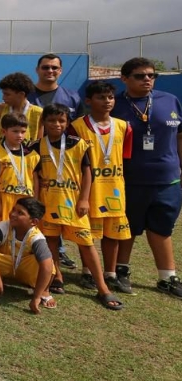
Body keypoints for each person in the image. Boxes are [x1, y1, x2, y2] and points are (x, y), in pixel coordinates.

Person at [34, 104, 123, 310]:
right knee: (51, 242)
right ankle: (57, 276)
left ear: (67, 122)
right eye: (51, 120)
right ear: (44, 123)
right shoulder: (37, 146)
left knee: (87, 243)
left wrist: (84, 199)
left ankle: (102, 288)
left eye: (61, 120)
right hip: (49, 202)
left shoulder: (79, 144)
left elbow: (88, 174)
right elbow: (34, 173)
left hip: (74, 204)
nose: (56, 124)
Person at [111, 57, 182, 298]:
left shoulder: (170, 101)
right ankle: (121, 271)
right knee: (127, 227)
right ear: (124, 79)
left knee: (162, 228)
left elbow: (180, 136)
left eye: (152, 75)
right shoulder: (115, 105)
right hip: (129, 179)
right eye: (140, 76)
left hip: (167, 179)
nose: (147, 79)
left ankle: (167, 277)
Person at [71, 81, 133, 292]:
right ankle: (87, 272)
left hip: (114, 188)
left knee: (113, 233)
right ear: (88, 101)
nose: (107, 102)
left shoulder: (123, 126)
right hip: (89, 189)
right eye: (101, 97)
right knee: (87, 233)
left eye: (110, 97)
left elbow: (125, 158)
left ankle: (111, 273)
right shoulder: (77, 126)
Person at [0, 197, 55, 314]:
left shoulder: (36, 237)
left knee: (49, 265)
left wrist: (35, 297)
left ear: (34, 222)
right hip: (5, 263)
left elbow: (46, 266)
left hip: (23, 266)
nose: (13, 214)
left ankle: (43, 291)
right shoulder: (4, 226)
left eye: (20, 213)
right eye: (14, 210)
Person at [0, 113, 39, 226]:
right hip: (5, 199)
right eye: (15, 131)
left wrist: (35, 201)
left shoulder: (33, 155)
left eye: (23, 132)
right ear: (4, 132)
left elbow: (35, 179)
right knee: (4, 233)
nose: (19, 135)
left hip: (26, 199)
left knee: (24, 232)